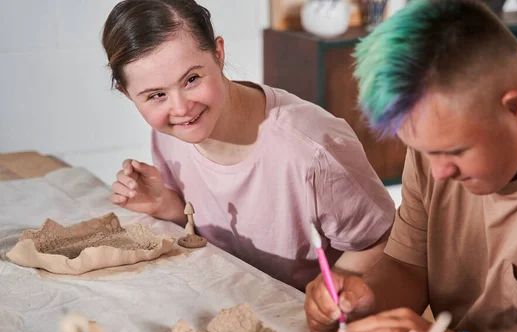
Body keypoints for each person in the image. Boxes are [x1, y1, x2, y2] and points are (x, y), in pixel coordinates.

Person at [304, 0, 517, 332]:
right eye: (424, 151)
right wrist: (365, 299)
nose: (439, 172)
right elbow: (409, 266)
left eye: (454, 152)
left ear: (514, 105)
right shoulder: (437, 141)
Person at [101, 0, 395, 291]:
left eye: (191, 79)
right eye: (156, 96)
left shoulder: (313, 150)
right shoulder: (169, 136)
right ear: (128, 95)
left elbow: (381, 242)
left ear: (218, 54)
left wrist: (324, 297)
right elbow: (212, 236)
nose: (180, 108)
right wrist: (165, 204)